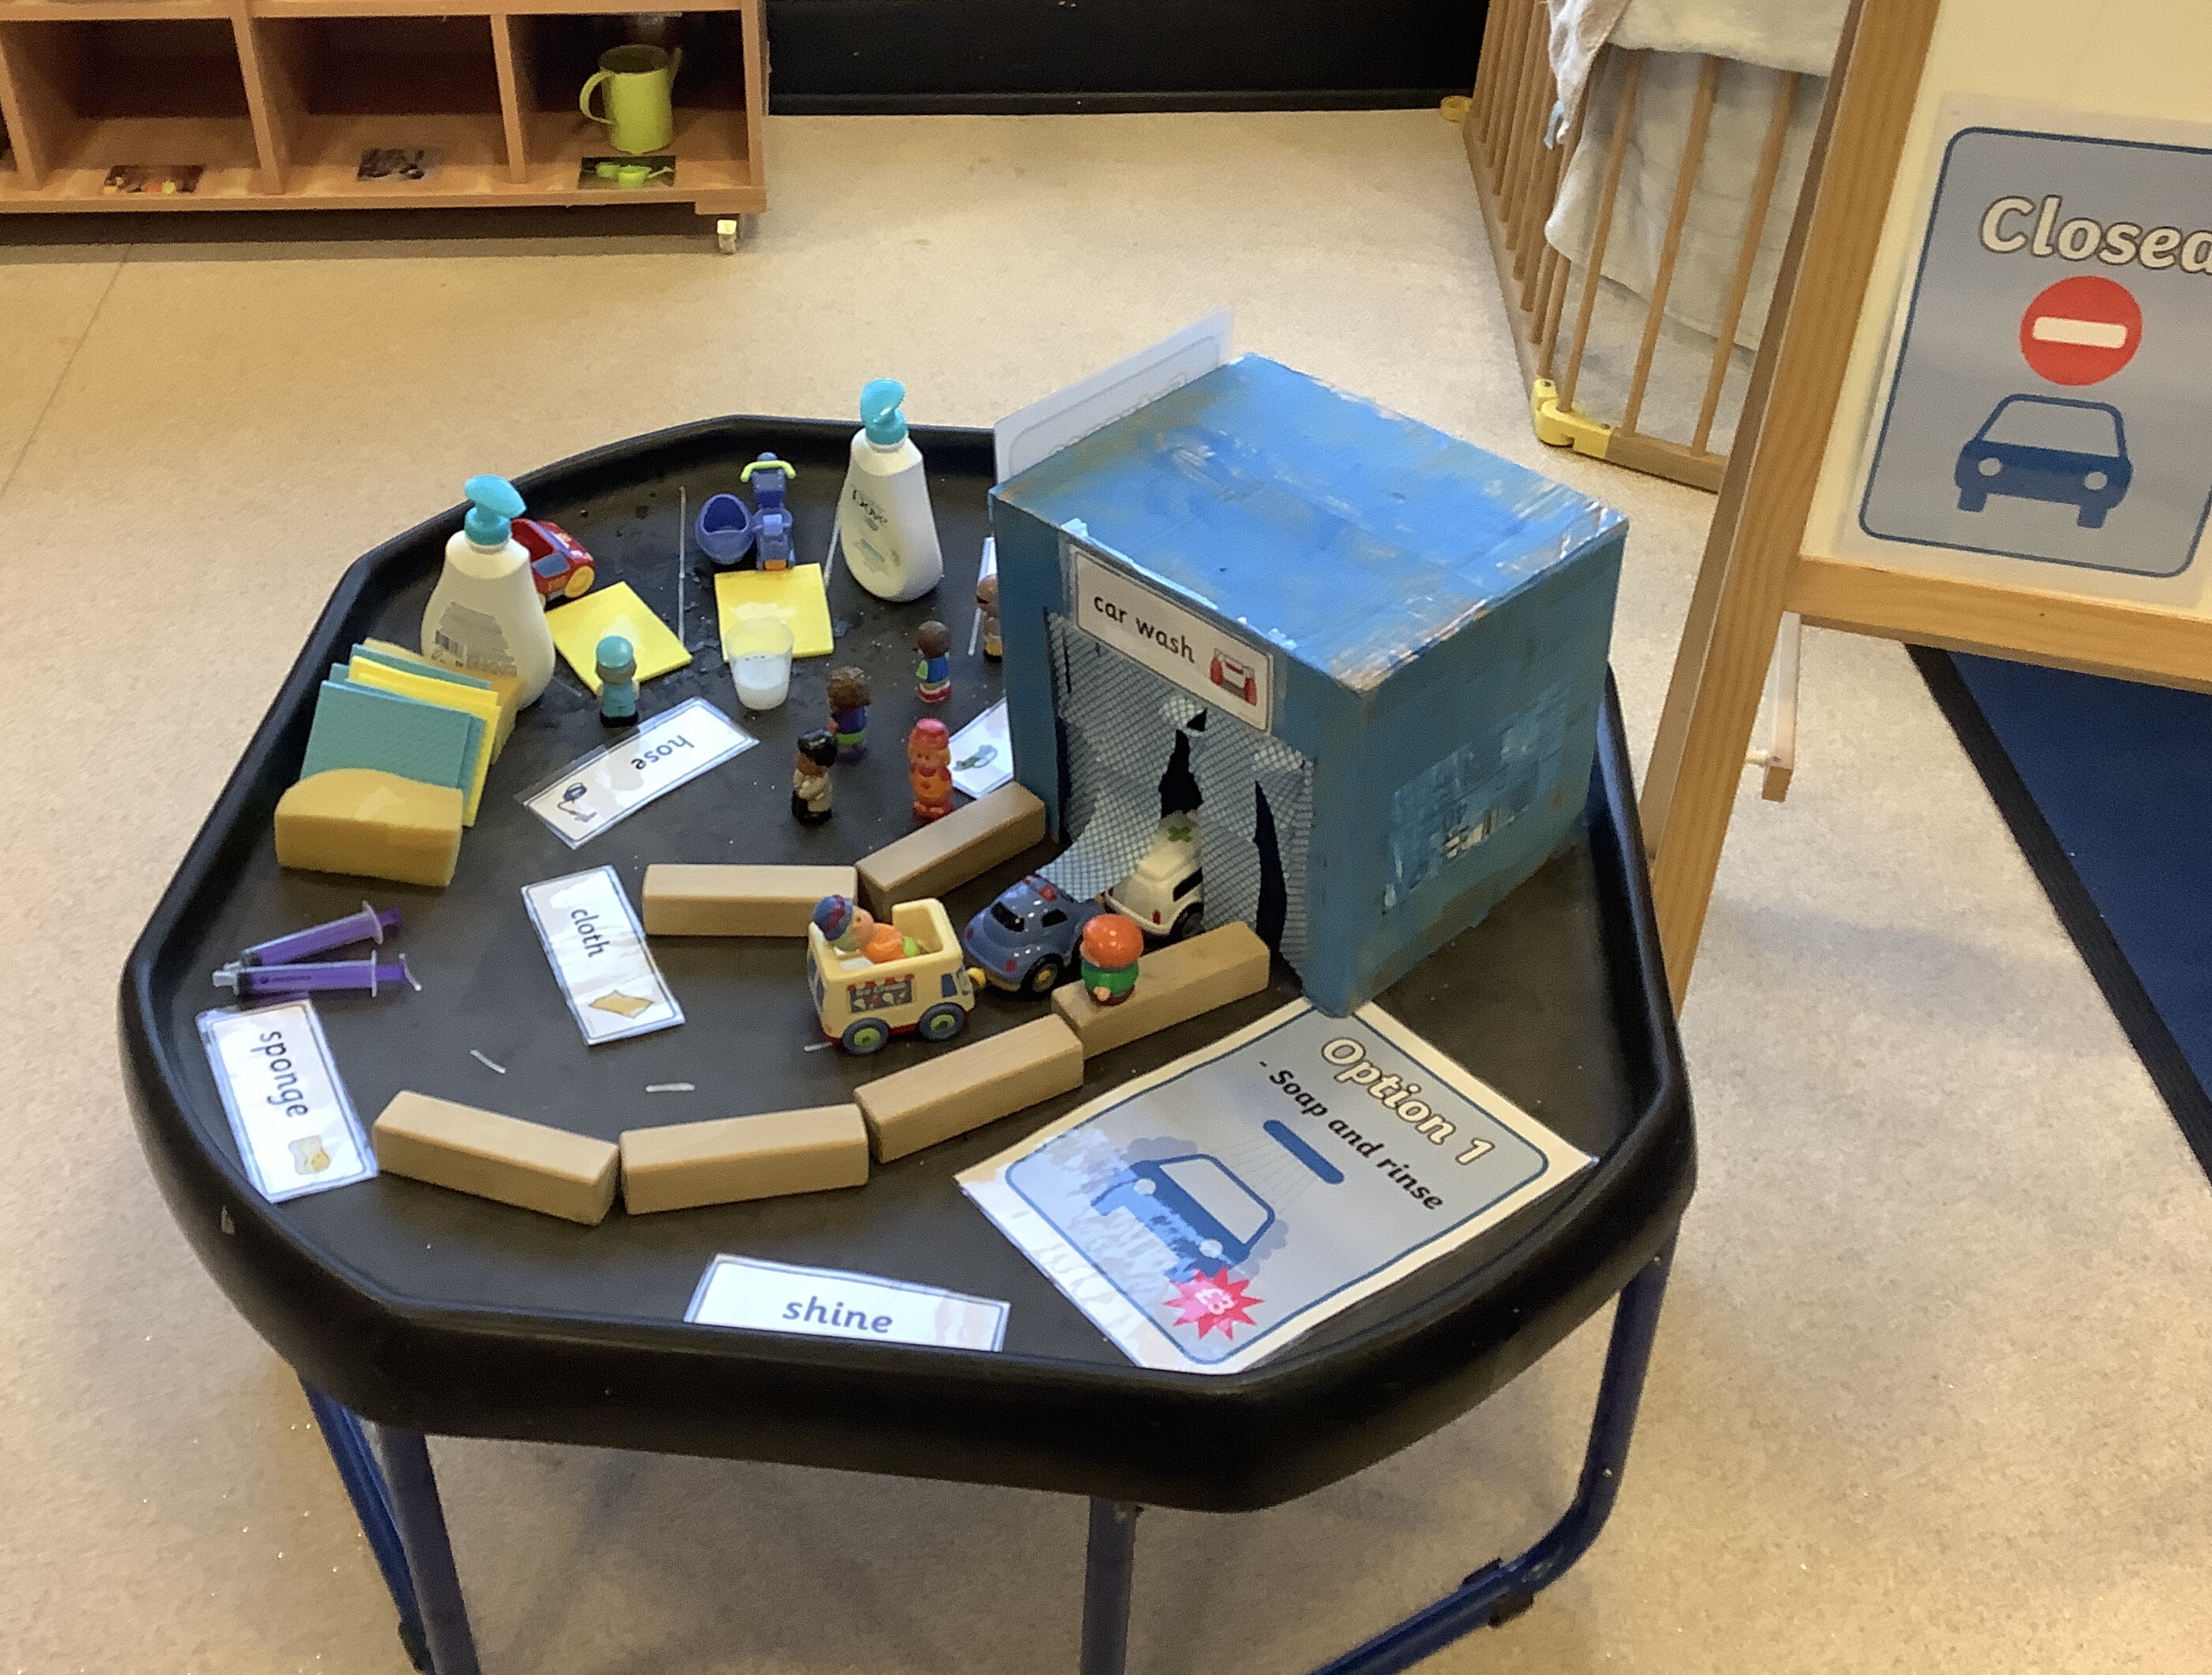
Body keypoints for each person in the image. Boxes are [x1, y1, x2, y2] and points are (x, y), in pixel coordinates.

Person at [790, 730, 837, 824]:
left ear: (822, 768)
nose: (798, 761)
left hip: (814, 805)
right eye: (799, 757)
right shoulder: (803, 774)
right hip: (802, 794)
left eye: (805, 763)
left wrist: (801, 788)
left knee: (809, 812)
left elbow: (804, 794)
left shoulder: (820, 782)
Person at [827, 667, 872, 761]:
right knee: (858, 746)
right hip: (859, 734)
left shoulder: (838, 714)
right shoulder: (859, 707)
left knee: (844, 750)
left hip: (843, 739)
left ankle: (844, 758)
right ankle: (860, 752)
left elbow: (832, 728)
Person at [915, 620, 952, 703]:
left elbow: (921, 676)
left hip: (931, 684)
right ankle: (944, 695)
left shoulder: (925, 663)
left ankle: (931, 699)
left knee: (931, 691)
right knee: (944, 687)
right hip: (945, 679)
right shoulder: (946, 655)